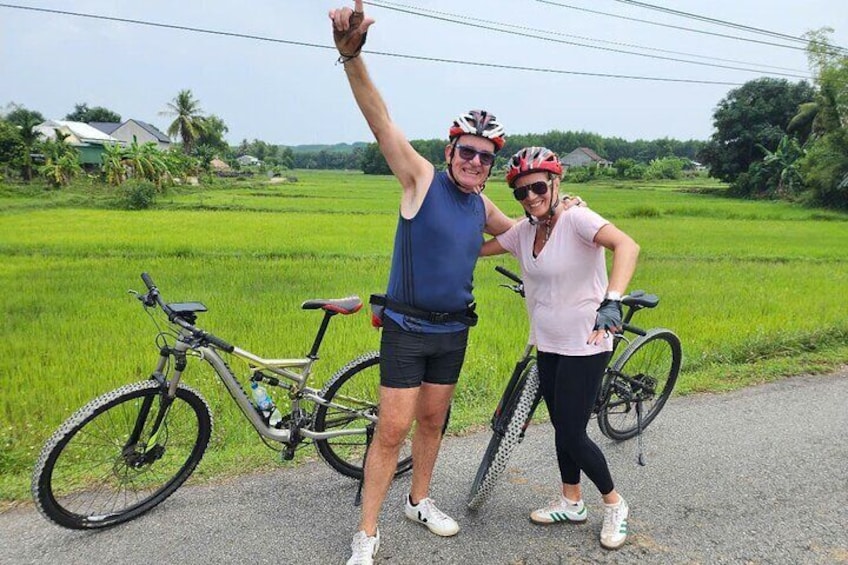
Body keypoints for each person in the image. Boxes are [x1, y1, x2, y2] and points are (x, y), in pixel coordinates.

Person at [328, 3, 520, 564]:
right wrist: (352, 57)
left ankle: (419, 499)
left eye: (486, 157)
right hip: (407, 330)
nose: (476, 162)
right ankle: (366, 533)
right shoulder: (420, 180)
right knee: (391, 431)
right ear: (450, 150)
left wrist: (563, 210)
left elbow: (525, 236)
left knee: (434, 420)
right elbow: (380, 120)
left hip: (453, 331)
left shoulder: (483, 206)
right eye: (468, 151)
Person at [481, 146, 640, 550]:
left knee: (571, 431)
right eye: (521, 192)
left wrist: (613, 299)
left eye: (537, 187)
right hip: (547, 343)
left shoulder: (577, 219)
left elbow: (627, 246)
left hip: (585, 343)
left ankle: (615, 503)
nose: (530, 197)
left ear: (556, 182)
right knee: (563, 427)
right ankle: (572, 500)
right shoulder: (524, 231)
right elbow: (478, 248)